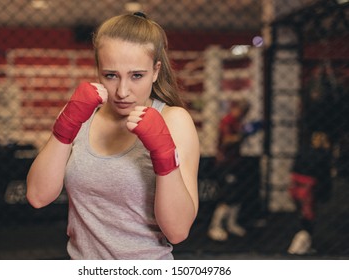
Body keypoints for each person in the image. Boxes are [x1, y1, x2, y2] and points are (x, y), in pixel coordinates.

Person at [26, 12, 200, 260]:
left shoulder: (174, 121)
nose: (122, 91)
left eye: (136, 75)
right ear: (98, 70)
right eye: (111, 75)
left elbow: (178, 231)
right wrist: (65, 127)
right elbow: (37, 196)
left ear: (155, 71)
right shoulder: (79, 114)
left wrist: (164, 154)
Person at [207, 99, 260, 241]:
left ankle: (231, 223)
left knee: (237, 194)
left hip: (235, 161)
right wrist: (244, 133)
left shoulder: (237, 121)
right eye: (242, 110)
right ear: (235, 108)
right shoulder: (228, 121)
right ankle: (215, 226)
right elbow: (227, 140)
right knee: (227, 195)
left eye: (246, 112)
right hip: (225, 163)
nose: (243, 114)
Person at [287, 131, 332, 255]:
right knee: (309, 215)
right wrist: (325, 193)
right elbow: (324, 176)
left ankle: (303, 244)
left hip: (297, 184)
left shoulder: (303, 152)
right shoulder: (323, 155)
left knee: (301, 213)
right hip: (309, 187)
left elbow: (294, 168)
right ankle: (300, 244)